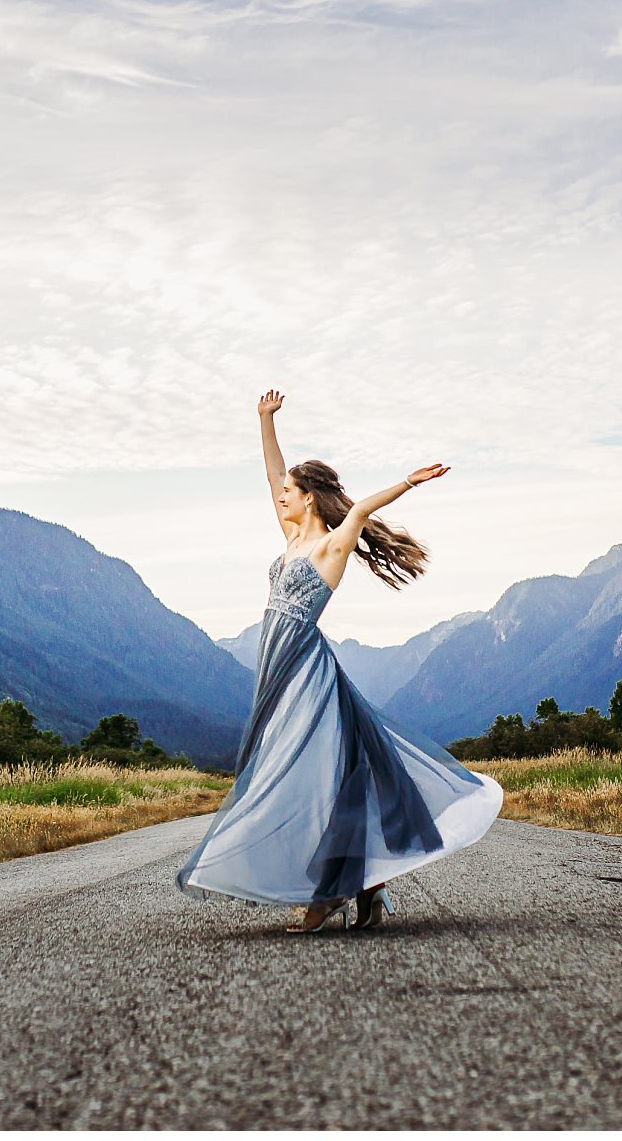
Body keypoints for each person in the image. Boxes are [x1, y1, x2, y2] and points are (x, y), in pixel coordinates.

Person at [175, 388, 504, 932]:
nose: (281, 496)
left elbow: (359, 509)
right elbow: (271, 471)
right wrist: (265, 421)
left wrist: (407, 482)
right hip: (274, 671)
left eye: (290, 492)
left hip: (306, 671)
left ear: (309, 498)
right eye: (282, 491)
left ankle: (328, 894)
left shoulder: (331, 546)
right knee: (295, 772)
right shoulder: (289, 537)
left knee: (312, 777)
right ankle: (366, 886)